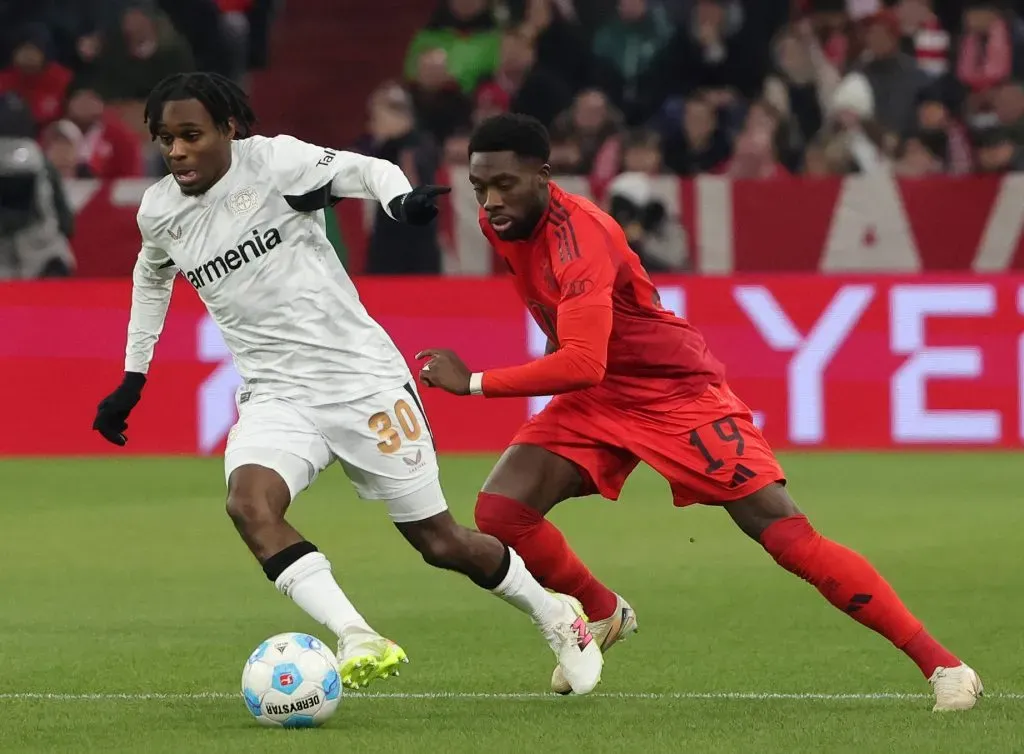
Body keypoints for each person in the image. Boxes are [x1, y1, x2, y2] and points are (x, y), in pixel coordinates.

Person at [415, 112, 983, 712]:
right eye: (480, 187)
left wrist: (474, 382)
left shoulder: (583, 237)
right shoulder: (497, 222)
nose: (491, 200)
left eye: (505, 183)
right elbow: (576, 347)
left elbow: (584, 361)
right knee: (502, 511)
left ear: (544, 175)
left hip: (673, 393)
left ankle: (944, 666)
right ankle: (605, 612)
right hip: (600, 397)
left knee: (785, 533)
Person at [90, 75, 602, 696]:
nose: (176, 152)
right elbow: (151, 279)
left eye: (190, 136)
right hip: (276, 392)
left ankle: (556, 616)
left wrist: (400, 201)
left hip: (362, 381)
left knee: (439, 542)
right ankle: (357, 635)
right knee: (249, 506)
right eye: (165, 139)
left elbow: (367, 170)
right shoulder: (161, 210)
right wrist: (133, 376)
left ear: (228, 129)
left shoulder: (277, 163)